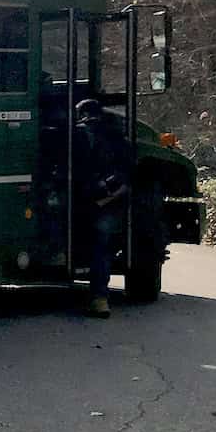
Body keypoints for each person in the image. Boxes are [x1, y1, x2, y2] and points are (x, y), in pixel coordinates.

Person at [73, 99, 130, 317]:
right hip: (111, 201)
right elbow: (128, 171)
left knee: (93, 245)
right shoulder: (118, 136)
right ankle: (99, 298)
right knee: (101, 248)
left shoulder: (78, 134)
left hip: (84, 200)